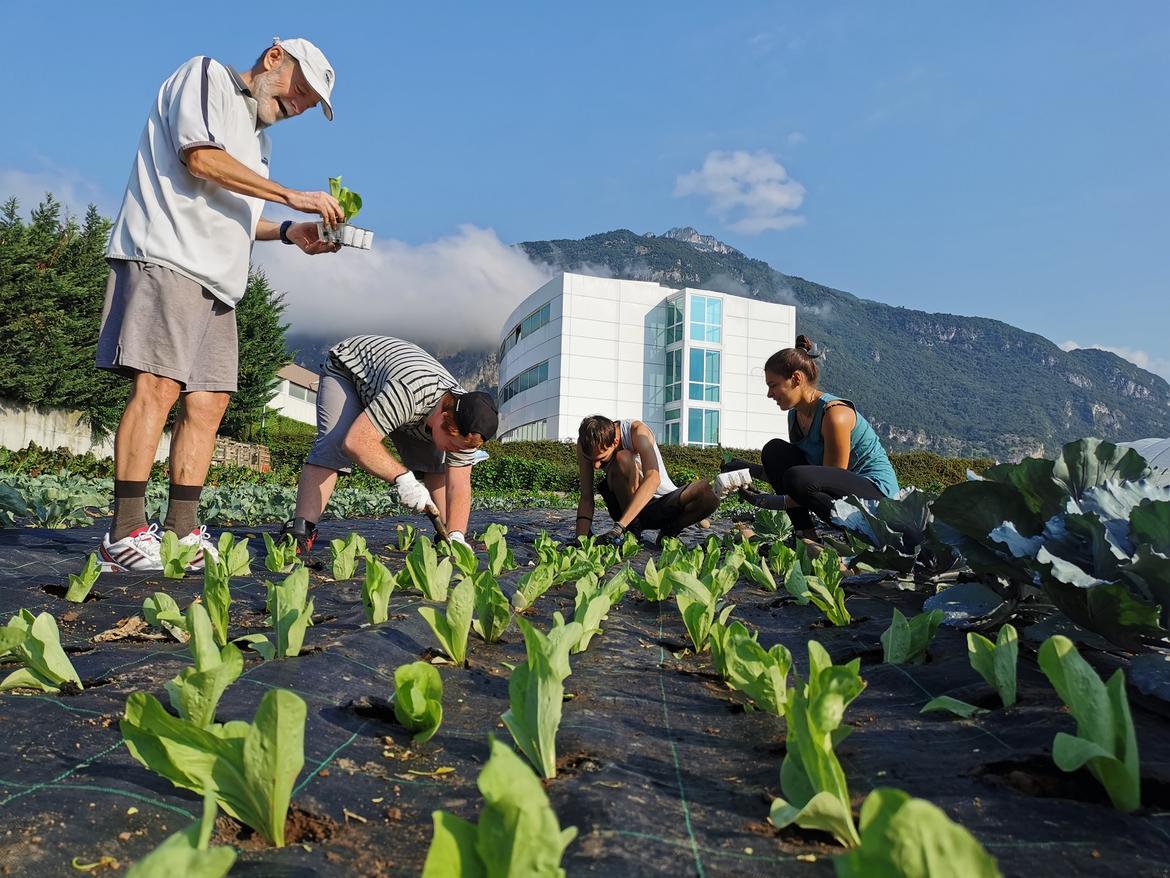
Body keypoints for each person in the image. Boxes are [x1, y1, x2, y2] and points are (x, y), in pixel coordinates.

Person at [96, 37, 346, 573]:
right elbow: (201, 158)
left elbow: (237, 215)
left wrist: (288, 230)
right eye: (299, 90)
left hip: (219, 283)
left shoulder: (259, 143)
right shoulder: (207, 75)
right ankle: (124, 532)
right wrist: (292, 195)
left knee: (209, 404)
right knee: (158, 387)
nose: (297, 105)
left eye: (307, 104)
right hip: (168, 255)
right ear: (273, 58)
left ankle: (180, 531)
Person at [282, 336, 499, 557]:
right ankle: (301, 530)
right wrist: (403, 479)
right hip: (351, 371)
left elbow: (459, 484)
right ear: (444, 416)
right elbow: (356, 442)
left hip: (406, 397)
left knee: (436, 464)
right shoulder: (409, 393)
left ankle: (446, 535)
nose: (456, 451)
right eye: (453, 444)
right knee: (334, 443)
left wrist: (457, 534)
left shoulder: (470, 424)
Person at [741, 335, 899, 538]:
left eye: (773, 385)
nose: (769, 394)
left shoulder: (835, 414)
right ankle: (806, 536)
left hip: (877, 499)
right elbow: (799, 472)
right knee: (774, 451)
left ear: (796, 379)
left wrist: (768, 501)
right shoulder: (795, 415)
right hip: (835, 492)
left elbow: (823, 481)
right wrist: (745, 472)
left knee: (797, 478)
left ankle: (865, 537)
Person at [574, 415, 726, 546]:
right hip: (623, 509)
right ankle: (632, 530)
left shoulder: (637, 432)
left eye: (601, 460)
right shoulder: (585, 445)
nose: (596, 466)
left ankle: (669, 531)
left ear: (614, 442)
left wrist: (618, 527)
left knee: (709, 494)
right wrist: (580, 541)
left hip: (658, 503)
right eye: (591, 460)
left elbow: (653, 478)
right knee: (623, 459)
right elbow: (586, 496)